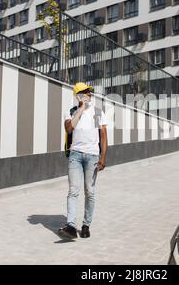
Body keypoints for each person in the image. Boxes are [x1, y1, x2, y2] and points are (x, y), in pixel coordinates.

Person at [58, 82, 108, 240]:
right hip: (75, 156)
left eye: (90, 92)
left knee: (90, 192)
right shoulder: (71, 111)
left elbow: (103, 137)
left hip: (92, 156)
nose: (89, 94)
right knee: (73, 191)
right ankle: (71, 226)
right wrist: (80, 109)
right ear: (79, 95)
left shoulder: (97, 113)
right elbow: (69, 129)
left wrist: (103, 158)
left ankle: (86, 225)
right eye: (86, 92)